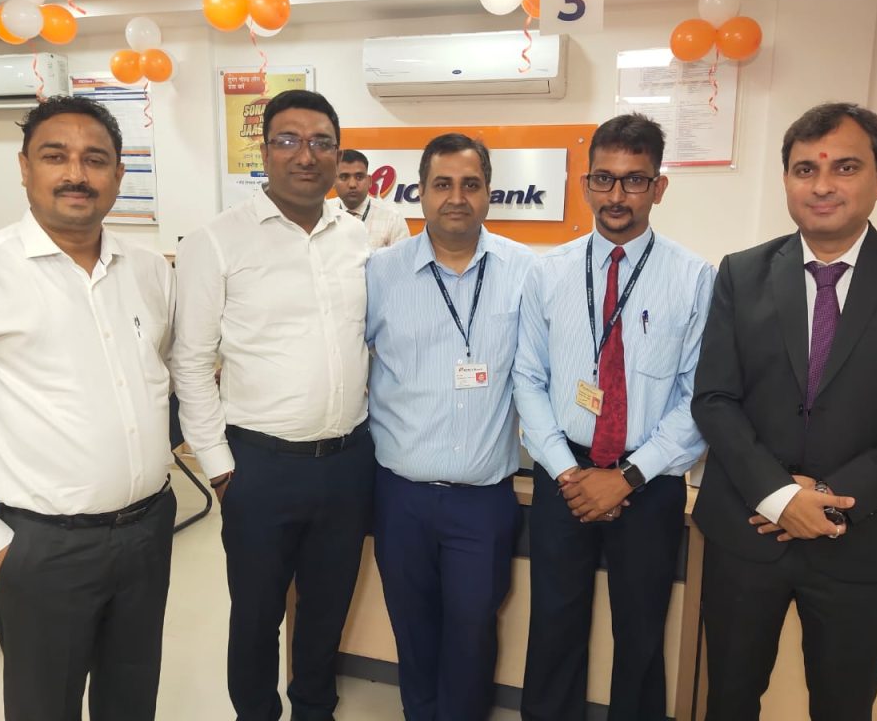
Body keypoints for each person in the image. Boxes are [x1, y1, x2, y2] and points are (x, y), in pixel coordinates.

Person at [691, 102, 877, 721]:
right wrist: (780, 496)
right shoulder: (741, 273)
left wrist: (829, 498)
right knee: (727, 699)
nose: (823, 185)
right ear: (786, 180)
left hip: (865, 539)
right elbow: (715, 398)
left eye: (846, 167)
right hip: (749, 532)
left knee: (843, 706)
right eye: (805, 169)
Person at [0, 95, 176, 721]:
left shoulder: (150, 271)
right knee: (45, 707)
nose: (76, 174)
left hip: (147, 533)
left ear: (119, 173)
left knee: (132, 701)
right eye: (55, 156)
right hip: (41, 548)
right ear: (24, 168)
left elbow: (160, 379)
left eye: (95, 159)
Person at [172, 89, 373, 721]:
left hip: (348, 462)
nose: (305, 156)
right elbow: (190, 362)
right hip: (260, 467)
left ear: (337, 152)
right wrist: (219, 468)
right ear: (264, 151)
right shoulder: (217, 241)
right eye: (289, 140)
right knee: (257, 615)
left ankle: (314, 709)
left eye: (321, 142)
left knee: (326, 609)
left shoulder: (357, 238)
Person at [514, 114, 715, 721]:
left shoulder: (694, 277)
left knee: (642, 629)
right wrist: (566, 472)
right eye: (604, 178)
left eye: (634, 180)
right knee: (553, 621)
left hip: (649, 480)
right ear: (586, 184)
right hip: (564, 474)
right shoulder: (548, 271)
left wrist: (627, 477)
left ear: (659, 187)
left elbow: (698, 395)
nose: (617, 195)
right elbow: (528, 378)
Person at [366, 133, 535, 721]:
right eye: (442, 184)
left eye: (470, 184)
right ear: (421, 192)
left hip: (483, 501)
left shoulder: (525, 271)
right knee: (413, 629)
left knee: (472, 631)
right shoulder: (380, 273)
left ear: (489, 192)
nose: (456, 197)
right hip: (401, 498)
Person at [330, 148, 410, 249]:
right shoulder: (321, 213)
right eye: (344, 177)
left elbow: (404, 258)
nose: (352, 184)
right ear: (333, 181)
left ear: (369, 181)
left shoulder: (393, 218)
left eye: (359, 177)